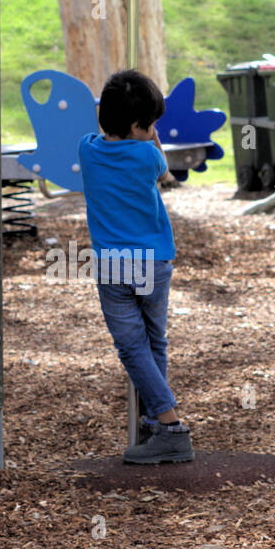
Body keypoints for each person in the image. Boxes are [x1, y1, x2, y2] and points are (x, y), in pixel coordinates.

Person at [77, 69, 192, 464]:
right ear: (137, 126)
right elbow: (166, 175)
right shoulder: (148, 156)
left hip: (114, 266)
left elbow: (99, 138)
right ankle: (155, 422)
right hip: (155, 261)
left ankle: (171, 426)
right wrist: (151, 141)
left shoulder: (87, 150)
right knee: (152, 343)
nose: (154, 129)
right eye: (152, 123)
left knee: (132, 348)